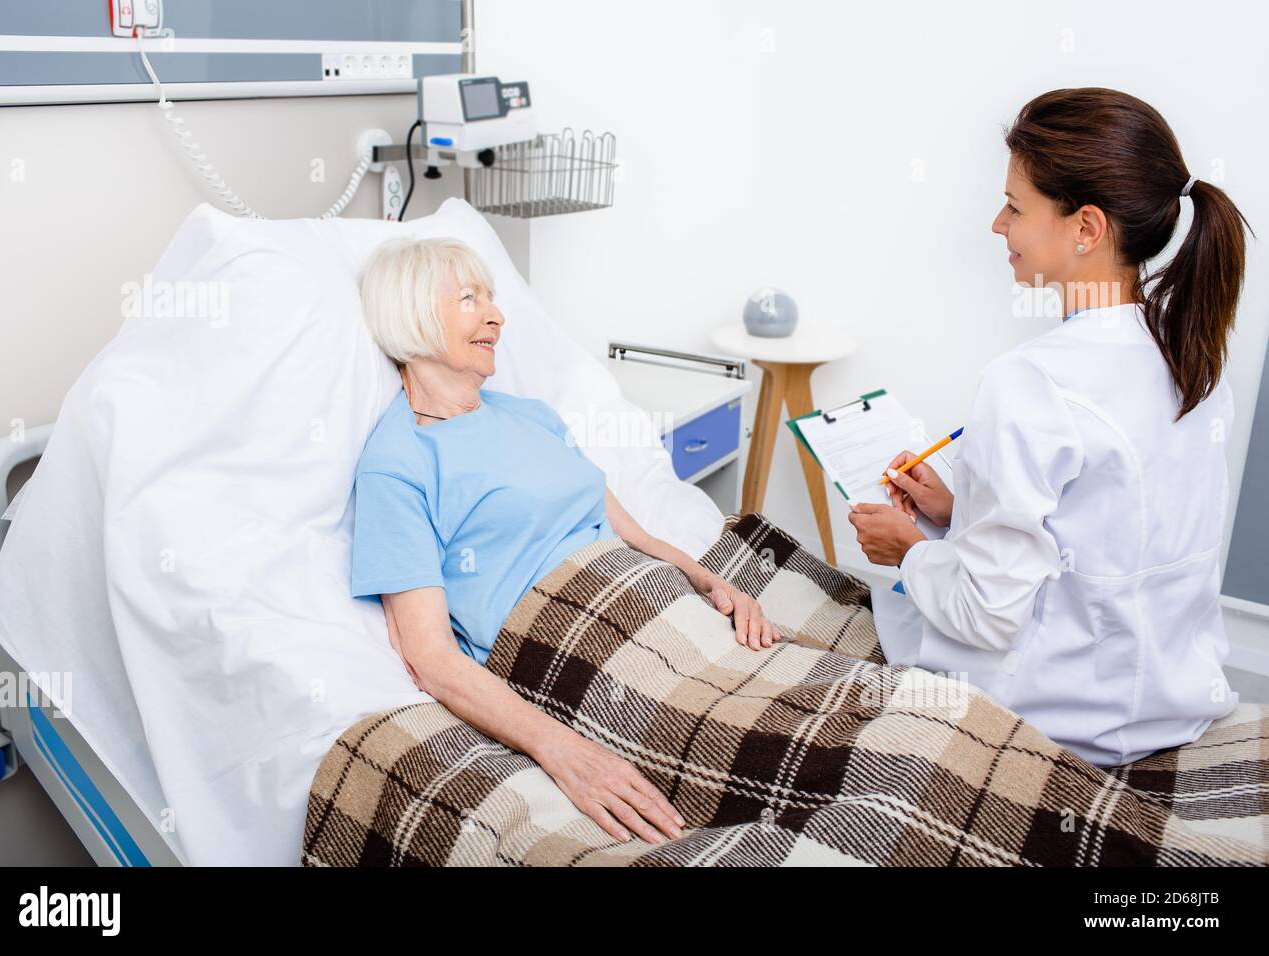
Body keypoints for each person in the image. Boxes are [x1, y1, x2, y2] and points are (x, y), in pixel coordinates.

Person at [848, 87, 1252, 766]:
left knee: (902, 615)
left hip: (1057, 718)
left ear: (1086, 228)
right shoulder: (1194, 356)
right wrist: (956, 510)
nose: (997, 226)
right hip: (1173, 698)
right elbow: (1113, 542)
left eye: (1014, 206)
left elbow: (985, 612)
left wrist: (909, 550)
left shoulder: (1031, 381)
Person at [351, 236, 779, 845]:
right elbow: (431, 658)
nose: (495, 315)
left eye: (493, 298)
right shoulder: (399, 465)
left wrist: (709, 580)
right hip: (577, 650)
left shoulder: (531, 415)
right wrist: (565, 751)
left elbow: (628, 528)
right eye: (469, 299)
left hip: (655, 604)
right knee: (887, 768)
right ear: (411, 315)